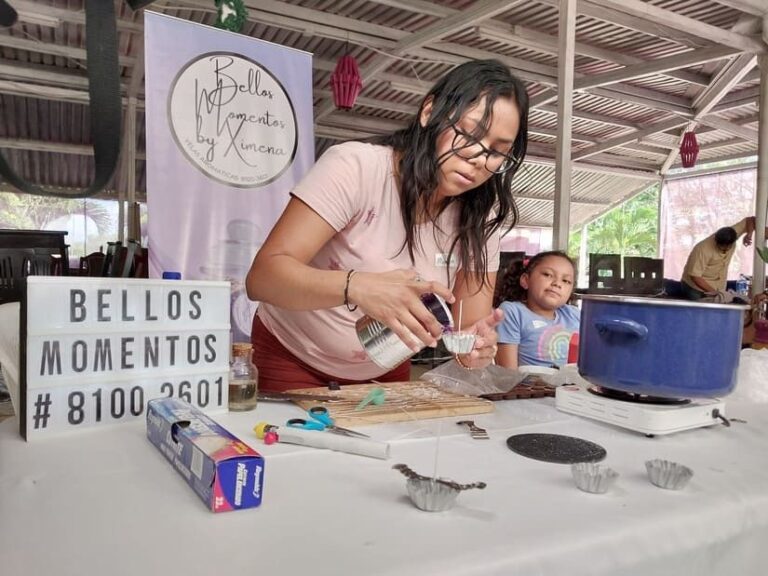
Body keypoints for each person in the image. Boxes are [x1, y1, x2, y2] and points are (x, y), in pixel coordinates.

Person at [245, 59, 529, 391]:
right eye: (470, 133)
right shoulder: (357, 168)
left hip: (386, 368)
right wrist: (358, 287)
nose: (480, 159)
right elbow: (262, 279)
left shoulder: (481, 214)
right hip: (291, 356)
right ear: (429, 112)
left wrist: (474, 349)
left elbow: (468, 324)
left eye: (498, 152)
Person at [493, 251, 580, 370]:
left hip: (571, 387)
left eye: (566, 281)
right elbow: (508, 374)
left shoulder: (574, 315)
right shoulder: (513, 312)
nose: (557, 284)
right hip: (528, 388)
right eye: (548, 274)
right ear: (525, 280)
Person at [680, 216, 766, 300]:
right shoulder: (702, 249)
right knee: (703, 308)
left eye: (727, 247)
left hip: (718, 287)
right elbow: (695, 276)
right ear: (716, 241)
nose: (724, 250)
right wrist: (716, 293)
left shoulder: (733, 233)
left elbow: (751, 220)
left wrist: (749, 234)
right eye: (720, 247)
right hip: (695, 287)